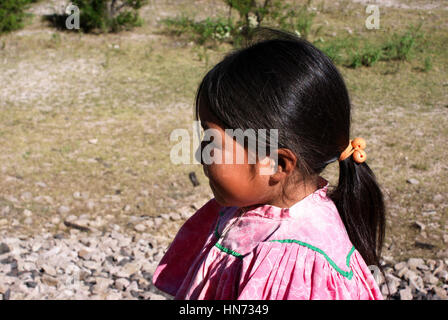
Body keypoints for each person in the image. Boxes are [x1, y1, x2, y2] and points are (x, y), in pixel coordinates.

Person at [153, 28, 386, 300]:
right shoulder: (243, 205)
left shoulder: (298, 260)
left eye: (212, 142)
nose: (200, 154)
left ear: (276, 163)